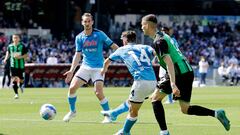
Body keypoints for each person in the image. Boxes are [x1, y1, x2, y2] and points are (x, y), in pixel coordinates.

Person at [141, 14, 230, 135]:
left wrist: (172, 84)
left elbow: (170, 63)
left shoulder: (159, 41)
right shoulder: (163, 36)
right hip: (187, 72)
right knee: (185, 109)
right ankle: (216, 113)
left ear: (147, 25)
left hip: (179, 73)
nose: (141, 28)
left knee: (155, 99)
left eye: (142, 25)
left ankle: (164, 132)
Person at [62, 13, 119, 123]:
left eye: (89, 21)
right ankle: (72, 111)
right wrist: (71, 70)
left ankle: (109, 115)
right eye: (85, 21)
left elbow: (113, 46)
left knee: (98, 93)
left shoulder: (100, 34)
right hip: (85, 66)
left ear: (92, 22)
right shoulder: (79, 37)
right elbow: (78, 55)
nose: (87, 23)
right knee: (72, 88)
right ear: (82, 22)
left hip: (99, 67)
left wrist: (122, 53)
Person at [101, 30, 157, 135]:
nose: (122, 41)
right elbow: (156, 52)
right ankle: (113, 114)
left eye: (123, 39)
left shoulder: (122, 49)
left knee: (133, 110)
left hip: (141, 82)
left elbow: (107, 61)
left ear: (126, 39)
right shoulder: (144, 47)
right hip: (153, 82)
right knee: (132, 102)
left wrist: (103, 70)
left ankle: (125, 131)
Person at [3, 34, 28, 99]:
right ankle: (16, 94)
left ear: (19, 39)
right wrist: (5, 58)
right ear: (12, 39)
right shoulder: (10, 46)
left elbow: (26, 55)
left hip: (21, 66)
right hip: (13, 65)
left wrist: (20, 57)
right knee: (14, 80)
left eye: (16, 38)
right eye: (14, 38)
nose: (15, 39)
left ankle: (21, 85)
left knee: (21, 79)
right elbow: (8, 53)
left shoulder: (23, 46)